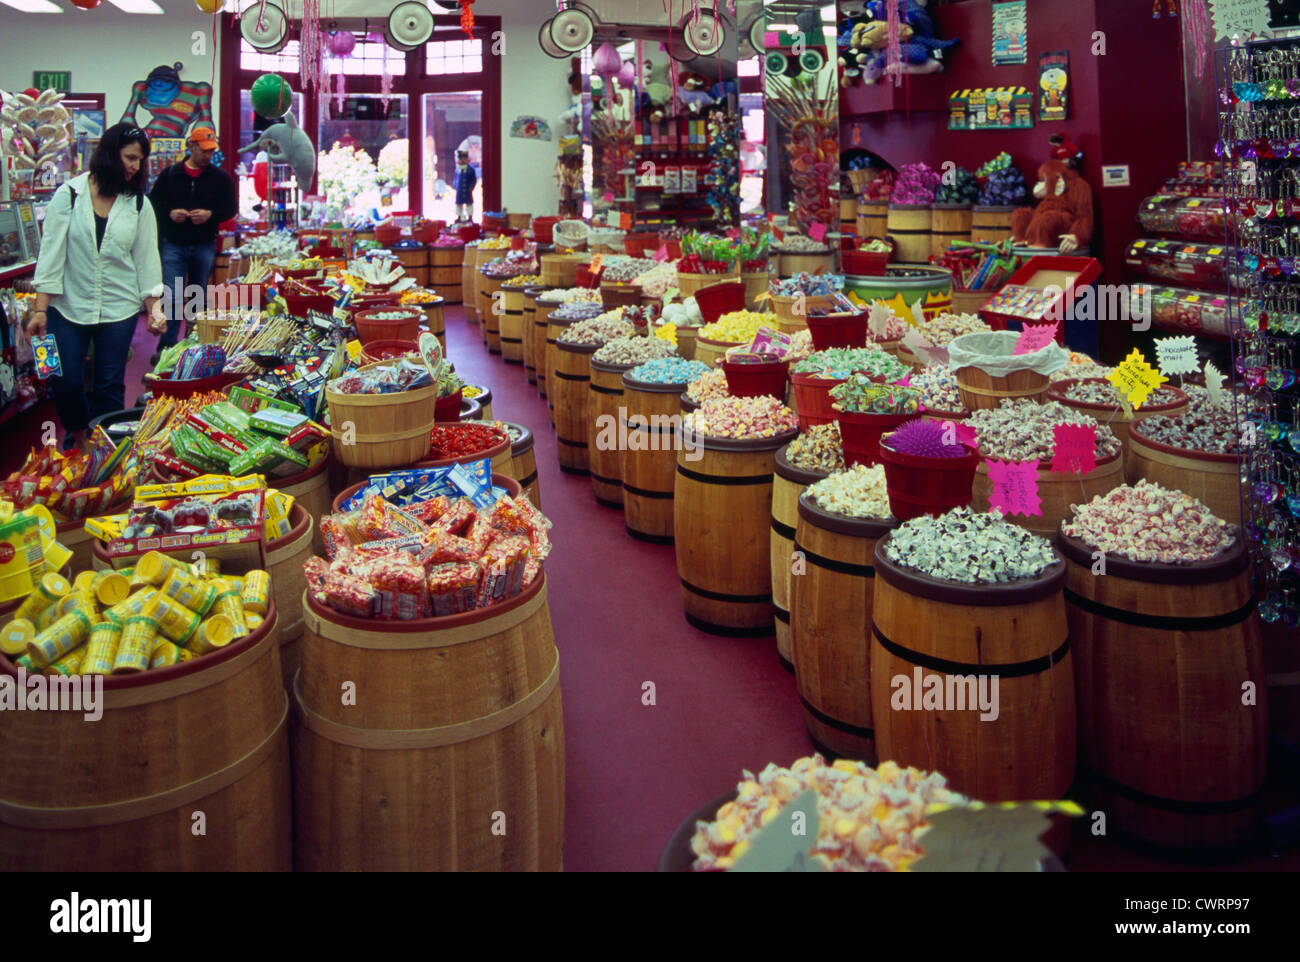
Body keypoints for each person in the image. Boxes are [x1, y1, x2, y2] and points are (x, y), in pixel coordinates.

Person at [27, 123, 166, 452]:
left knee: (109, 384)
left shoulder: (138, 205)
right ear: (109, 153)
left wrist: (155, 310)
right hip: (67, 306)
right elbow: (51, 254)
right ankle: (77, 431)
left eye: (140, 160)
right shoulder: (70, 194)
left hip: (119, 308)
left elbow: (147, 261)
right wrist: (40, 309)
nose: (134, 166)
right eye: (130, 157)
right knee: (64, 379)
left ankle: (104, 448)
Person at [148, 124, 238, 359]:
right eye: (204, 150)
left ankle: (193, 345)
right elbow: (153, 204)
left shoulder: (221, 178)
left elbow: (230, 208)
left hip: (204, 243)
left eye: (211, 150)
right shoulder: (169, 174)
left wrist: (211, 215)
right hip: (173, 244)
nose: (208, 155)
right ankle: (166, 348)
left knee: (198, 295)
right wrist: (170, 213)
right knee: (173, 295)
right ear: (191, 147)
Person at [454, 149, 477, 222]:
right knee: (459, 204)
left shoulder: (470, 170)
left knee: (469, 204)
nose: (461, 161)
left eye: (463, 159)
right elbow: (455, 179)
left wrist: (470, 188)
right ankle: (459, 216)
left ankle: (470, 217)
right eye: (460, 159)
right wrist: (455, 186)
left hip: (467, 191)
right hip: (459, 191)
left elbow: (473, 180)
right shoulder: (457, 169)